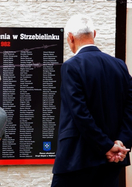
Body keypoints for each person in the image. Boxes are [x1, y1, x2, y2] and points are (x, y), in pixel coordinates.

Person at [51, 14, 132, 187]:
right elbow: (130, 107)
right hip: (113, 161)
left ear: (71, 38)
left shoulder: (71, 66)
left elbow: (79, 113)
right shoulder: (119, 65)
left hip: (77, 159)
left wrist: (106, 146)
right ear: (94, 33)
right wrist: (119, 142)